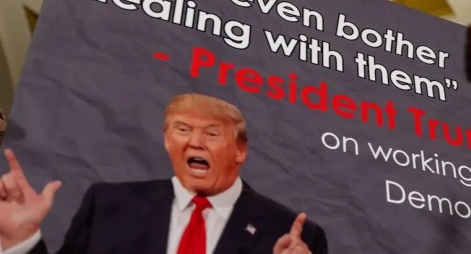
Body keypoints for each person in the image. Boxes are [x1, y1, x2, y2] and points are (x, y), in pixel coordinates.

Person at [0, 93, 327, 254]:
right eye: (183, 130)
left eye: (212, 134)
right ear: (167, 141)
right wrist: (22, 239)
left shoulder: (294, 234)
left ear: (240, 150)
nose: (195, 142)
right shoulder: (107, 205)